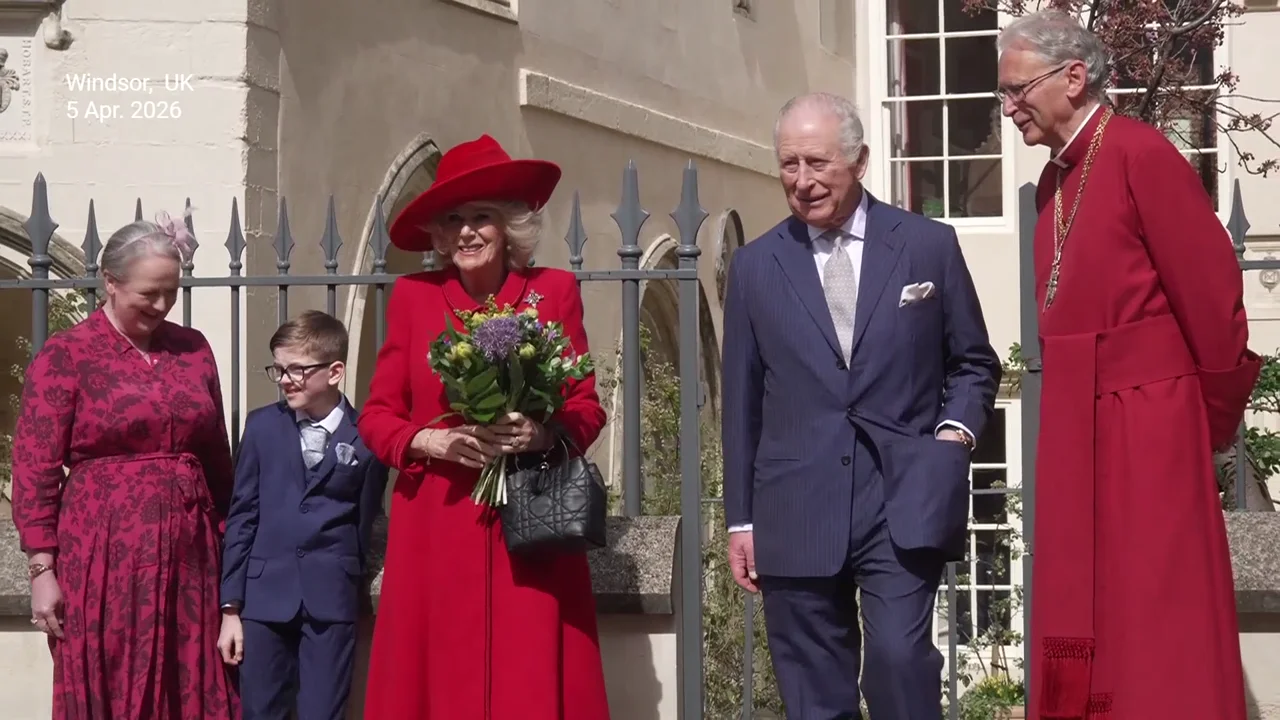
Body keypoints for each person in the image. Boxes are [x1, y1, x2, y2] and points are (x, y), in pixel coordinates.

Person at [996, 11, 1261, 720]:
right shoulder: (1055, 183)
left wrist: (1190, 426)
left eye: (1017, 89)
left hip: (1149, 423)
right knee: (1088, 610)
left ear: (1074, 78)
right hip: (1080, 421)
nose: (1008, 107)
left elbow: (1213, 304)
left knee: (1152, 610)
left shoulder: (1141, 154)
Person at [721, 92, 1001, 719]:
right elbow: (741, 404)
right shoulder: (755, 266)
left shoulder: (929, 246)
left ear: (860, 161)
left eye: (818, 163)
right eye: (789, 164)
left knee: (901, 665)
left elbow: (974, 362)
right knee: (814, 693)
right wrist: (741, 521)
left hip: (900, 498)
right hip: (793, 504)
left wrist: (954, 435)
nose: (802, 181)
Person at [357, 134, 611, 719]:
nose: (468, 232)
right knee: (437, 679)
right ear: (440, 236)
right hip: (437, 524)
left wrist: (545, 435)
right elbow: (375, 416)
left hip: (531, 524)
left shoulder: (552, 291)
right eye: (455, 220)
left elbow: (586, 405)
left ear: (510, 229)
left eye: (483, 218)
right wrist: (430, 439)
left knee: (528, 676)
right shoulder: (414, 297)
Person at [9, 213, 240, 719]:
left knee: (189, 678)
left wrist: (231, 554)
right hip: (102, 552)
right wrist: (42, 569)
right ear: (110, 284)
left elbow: (219, 461)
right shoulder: (67, 355)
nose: (161, 306)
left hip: (192, 552)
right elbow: (35, 468)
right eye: (148, 294)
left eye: (171, 292)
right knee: (112, 673)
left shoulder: (194, 349)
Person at [217, 310, 388, 720]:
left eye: (297, 369)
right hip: (262, 599)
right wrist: (231, 609)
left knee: (322, 711)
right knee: (260, 709)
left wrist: (353, 584)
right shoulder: (261, 427)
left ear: (335, 371)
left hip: (330, 598)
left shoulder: (367, 435)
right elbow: (242, 516)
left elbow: (364, 520)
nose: (286, 380)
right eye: (278, 369)